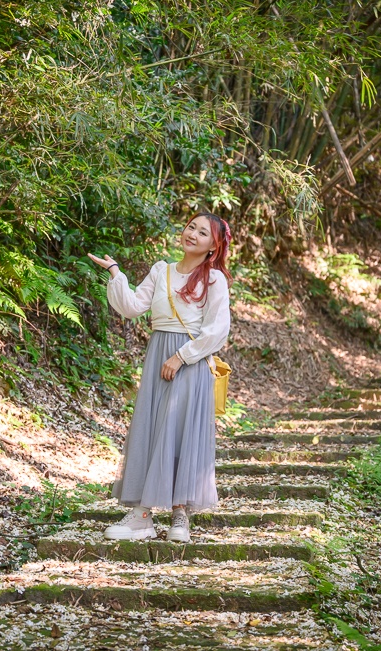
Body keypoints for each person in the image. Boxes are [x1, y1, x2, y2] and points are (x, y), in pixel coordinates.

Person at [87, 213, 232, 543]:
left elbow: (217, 330)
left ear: (214, 245)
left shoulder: (214, 279)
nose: (192, 234)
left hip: (190, 361)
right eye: (191, 227)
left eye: (203, 233)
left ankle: (180, 515)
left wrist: (181, 357)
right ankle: (142, 516)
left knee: (180, 432)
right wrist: (116, 273)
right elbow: (132, 307)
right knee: (151, 428)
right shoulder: (161, 270)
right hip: (158, 356)